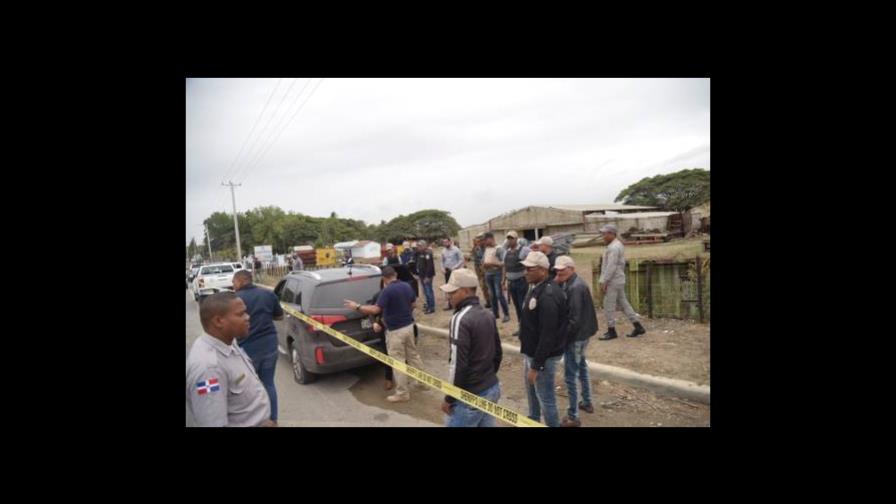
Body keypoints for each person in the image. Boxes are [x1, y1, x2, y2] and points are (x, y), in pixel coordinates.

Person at [186, 292, 275, 427]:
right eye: (241, 314)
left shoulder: (228, 341)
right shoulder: (209, 369)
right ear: (218, 321)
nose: (248, 317)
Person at [344, 266, 426, 402]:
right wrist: (402, 312)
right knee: (413, 355)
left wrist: (357, 307)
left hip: (395, 331)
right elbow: (413, 304)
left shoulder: (387, 291)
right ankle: (422, 382)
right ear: (395, 275)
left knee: (397, 362)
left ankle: (402, 393)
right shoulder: (406, 286)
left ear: (384, 278)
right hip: (409, 327)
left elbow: (376, 309)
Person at [438, 268, 502, 427]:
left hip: (470, 396)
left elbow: (458, 364)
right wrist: (487, 377)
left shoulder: (460, 319)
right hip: (491, 388)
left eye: (452, 292)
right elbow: (498, 354)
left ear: (466, 291)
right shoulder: (488, 314)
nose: (449, 297)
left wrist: (449, 398)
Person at [518, 251, 568, 427]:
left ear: (543, 270)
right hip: (533, 353)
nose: (526, 272)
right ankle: (533, 420)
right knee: (532, 391)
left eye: (529, 269)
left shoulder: (548, 295)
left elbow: (548, 334)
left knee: (546, 398)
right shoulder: (536, 288)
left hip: (543, 357)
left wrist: (536, 365)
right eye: (525, 268)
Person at [232, 270, 284, 424]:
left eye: (234, 282)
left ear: (241, 281)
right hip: (270, 344)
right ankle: (273, 420)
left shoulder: (234, 300)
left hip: (247, 348)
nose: (232, 285)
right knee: (268, 383)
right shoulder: (268, 294)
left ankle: (256, 420)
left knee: (249, 387)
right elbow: (279, 316)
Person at [553, 255, 598, 427]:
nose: (559, 272)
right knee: (581, 367)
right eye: (557, 270)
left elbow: (574, 320)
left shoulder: (575, 287)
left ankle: (573, 415)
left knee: (570, 375)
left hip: (576, 336)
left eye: (562, 269)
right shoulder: (572, 282)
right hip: (583, 334)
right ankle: (586, 401)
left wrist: (562, 338)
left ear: (572, 268)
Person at [597, 224, 647, 340]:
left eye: (605, 234)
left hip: (613, 280)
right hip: (618, 279)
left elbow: (611, 266)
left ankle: (611, 330)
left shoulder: (614, 247)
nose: (603, 236)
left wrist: (605, 281)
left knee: (608, 306)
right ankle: (638, 326)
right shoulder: (616, 245)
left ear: (611, 234)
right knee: (624, 304)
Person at [482, 232, 511, 323]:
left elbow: (504, 263)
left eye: (486, 240)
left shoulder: (499, 249)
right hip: (488, 274)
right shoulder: (487, 249)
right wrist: (484, 265)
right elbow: (484, 261)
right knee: (492, 295)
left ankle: (506, 314)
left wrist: (492, 264)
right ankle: (495, 313)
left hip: (497, 275)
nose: (485, 242)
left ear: (491, 239)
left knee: (499, 295)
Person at [503, 230, 527, 336]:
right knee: (517, 306)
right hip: (511, 283)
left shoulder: (524, 250)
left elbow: (529, 262)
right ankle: (521, 327)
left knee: (523, 306)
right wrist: (503, 281)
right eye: (508, 238)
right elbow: (504, 267)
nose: (510, 240)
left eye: (512, 238)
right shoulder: (506, 252)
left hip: (521, 282)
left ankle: (527, 328)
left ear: (516, 239)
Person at [440, 238, 464, 310]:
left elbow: (461, 259)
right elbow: (442, 261)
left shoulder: (456, 250)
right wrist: (442, 268)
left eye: (446, 242)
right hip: (447, 271)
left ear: (450, 242)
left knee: (456, 287)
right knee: (448, 287)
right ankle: (449, 304)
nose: (445, 243)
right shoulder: (443, 251)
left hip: (455, 271)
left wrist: (455, 267)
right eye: (444, 242)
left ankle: (459, 303)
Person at [414, 240, 436, 314]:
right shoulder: (419, 253)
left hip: (427, 276)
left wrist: (427, 277)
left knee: (428, 291)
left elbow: (430, 266)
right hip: (421, 275)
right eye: (418, 246)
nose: (418, 247)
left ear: (424, 246)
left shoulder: (428, 253)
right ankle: (428, 305)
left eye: (420, 246)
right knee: (425, 292)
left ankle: (431, 307)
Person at [471, 234, 492, 309]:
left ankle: (491, 301)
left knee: (487, 285)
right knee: (482, 286)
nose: (479, 242)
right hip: (478, 269)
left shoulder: (487, 248)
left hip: (486, 269)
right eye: (477, 241)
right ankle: (488, 301)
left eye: (480, 240)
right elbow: (472, 256)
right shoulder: (476, 248)